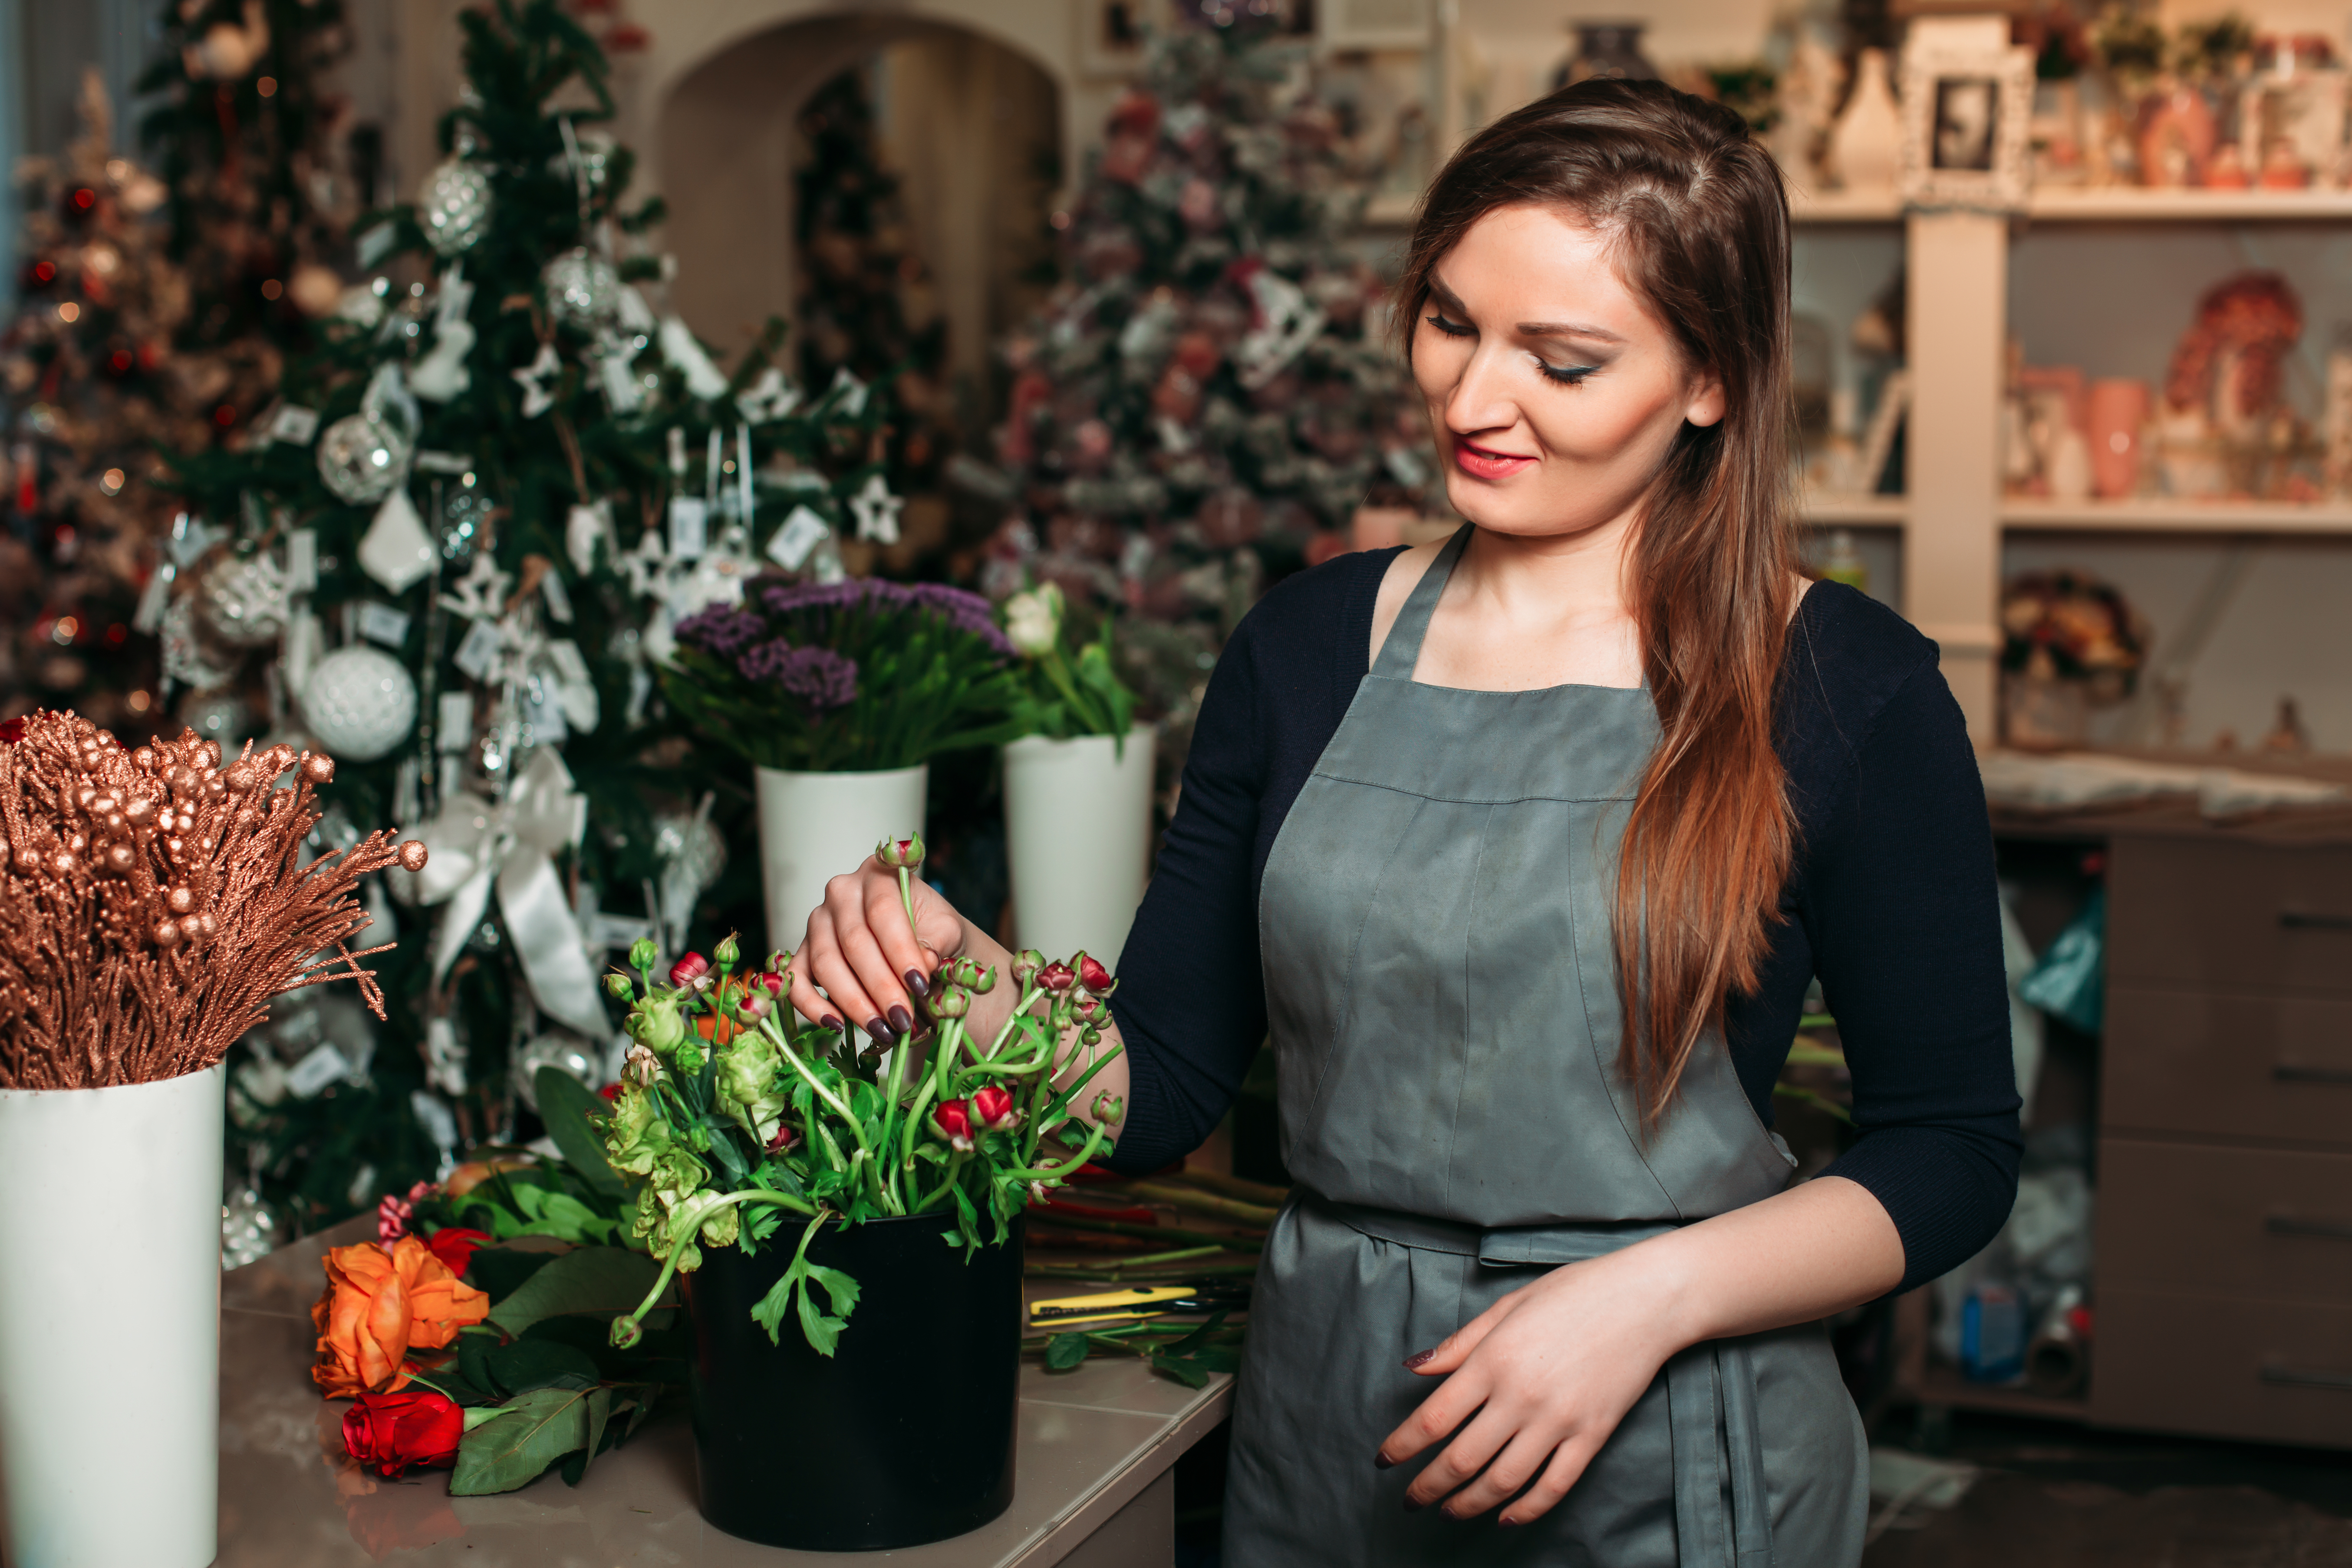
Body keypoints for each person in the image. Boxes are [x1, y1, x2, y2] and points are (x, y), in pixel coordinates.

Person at [786, 78, 2020, 1567]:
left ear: (1711, 380)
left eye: (1560, 362)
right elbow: (1166, 1076)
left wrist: (1645, 1299)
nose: (1469, 399)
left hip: (1667, 1445)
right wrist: (956, 973)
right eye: (1449, 321)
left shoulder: (1842, 689)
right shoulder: (1302, 650)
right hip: (1328, 1425)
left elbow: (1949, 1148)